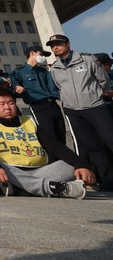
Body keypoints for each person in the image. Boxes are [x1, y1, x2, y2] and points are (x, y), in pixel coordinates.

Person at [0, 88, 96, 198]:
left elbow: (55, 146)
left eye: (11, 103)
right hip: (9, 172)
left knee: (69, 166)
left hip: (38, 172)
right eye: (2, 104)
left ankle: (19, 190)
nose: (7, 107)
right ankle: (52, 188)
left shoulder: (30, 122)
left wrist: (81, 164)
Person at [46, 34, 113, 191]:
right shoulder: (55, 68)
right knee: (90, 145)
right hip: (73, 110)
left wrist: (95, 93)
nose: (55, 47)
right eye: (52, 45)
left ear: (68, 44)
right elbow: (58, 87)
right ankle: (108, 179)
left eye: (59, 44)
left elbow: (103, 79)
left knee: (110, 138)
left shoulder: (87, 59)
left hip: (95, 106)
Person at [12, 45, 64, 144]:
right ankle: (51, 159)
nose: (43, 57)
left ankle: (64, 159)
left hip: (53, 104)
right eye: (41, 54)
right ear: (32, 53)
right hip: (38, 106)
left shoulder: (43, 71)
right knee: (48, 135)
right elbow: (15, 90)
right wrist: (16, 89)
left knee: (60, 133)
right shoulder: (19, 72)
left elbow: (53, 89)